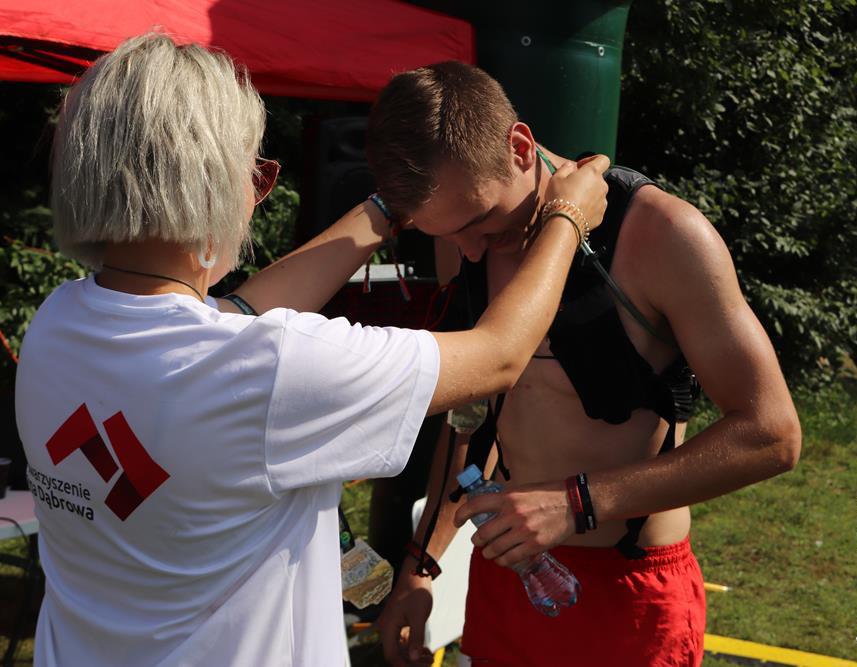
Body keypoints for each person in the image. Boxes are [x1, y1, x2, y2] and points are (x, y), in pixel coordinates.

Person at [14, 34, 610, 666]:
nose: (256, 194)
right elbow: (498, 356)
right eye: (254, 173)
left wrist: (390, 208)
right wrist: (566, 216)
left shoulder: (60, 323)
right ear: (209, 183)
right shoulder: (269, 371)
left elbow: (238, 313)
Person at [369, 62, 802, 667]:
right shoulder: (463, 231)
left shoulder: (662, 233)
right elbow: (470, 420)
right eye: (443, 234)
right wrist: (422, 566)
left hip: (628, 594)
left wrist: (575, 502)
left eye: (478, 225)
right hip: (508, 581)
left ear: (520, 148)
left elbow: (772, 434)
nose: (466, 250)